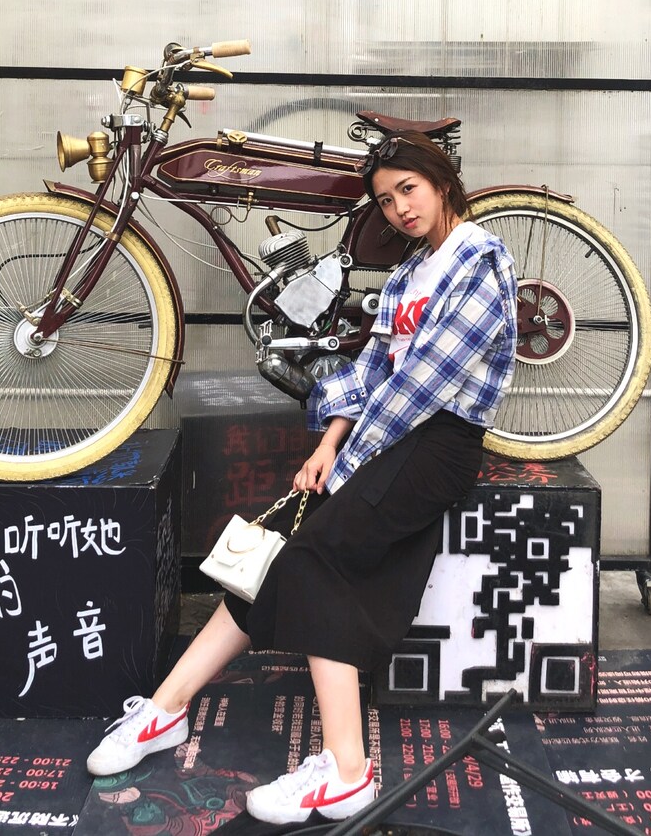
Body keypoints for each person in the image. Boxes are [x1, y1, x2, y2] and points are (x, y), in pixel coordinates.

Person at [86, 129, 518, 826]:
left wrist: (351, 458)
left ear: (442, 183)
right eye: (386, 200)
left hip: (437, 444)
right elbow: (371, 371)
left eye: (409, 190)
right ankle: (166, 710)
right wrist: (329, 444)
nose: (400, 209)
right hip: (386, 436)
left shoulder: (480, 261)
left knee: (314, 561)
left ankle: (347, 772)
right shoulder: (408, 274)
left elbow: (424, 383)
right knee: (273, 556)